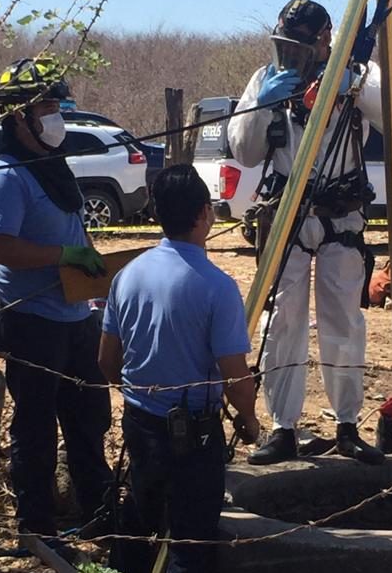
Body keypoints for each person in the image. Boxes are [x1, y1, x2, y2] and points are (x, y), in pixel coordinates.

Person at [227, 0, 392, 465]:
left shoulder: (362, 72)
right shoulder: (265, 79)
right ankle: (283, 427)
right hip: (286, 214)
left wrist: (352, 84)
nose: (290, 52)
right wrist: (266, 104)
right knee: (283, 323)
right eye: (284, 43)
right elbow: (246, 152)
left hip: (341, 216)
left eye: (300, 44)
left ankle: (347, 425)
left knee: (343, 322)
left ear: (324, 40)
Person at [99, 164, 259, 573]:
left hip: (140, 423)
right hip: (195, 436)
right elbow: (236, 379)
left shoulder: (127, 276)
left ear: (157, 213)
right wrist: (250, 418)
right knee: (191, 539)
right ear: (205, 213)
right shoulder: (216, 287)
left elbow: (106, 362)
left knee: (141, 522)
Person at [0, 58, 113, 545]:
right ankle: (36, 526)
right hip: (33, 322)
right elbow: (2, 247)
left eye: (58, 106)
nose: (57, 117)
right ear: (20, 118)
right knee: (36, 429)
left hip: (78, 315)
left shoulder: (52, 167)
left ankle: (100, 512)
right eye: (48, 108)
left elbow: (70, 228)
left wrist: (90, 267)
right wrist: (64, 254)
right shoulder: (6, 175)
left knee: (89, 420)